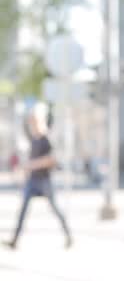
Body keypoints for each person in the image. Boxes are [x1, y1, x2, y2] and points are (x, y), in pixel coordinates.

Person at [3, 106, 73, 250]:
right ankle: (15, 240)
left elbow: (51, 160)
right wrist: (25, 172)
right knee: (22, 210)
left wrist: (31, 165)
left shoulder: (46, 139)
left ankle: (68, 236)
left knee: (56, 210)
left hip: (44, 181)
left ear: (39, 122)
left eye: (33, 122)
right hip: (32, 181)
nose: (32, 125)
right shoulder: (34, 139)